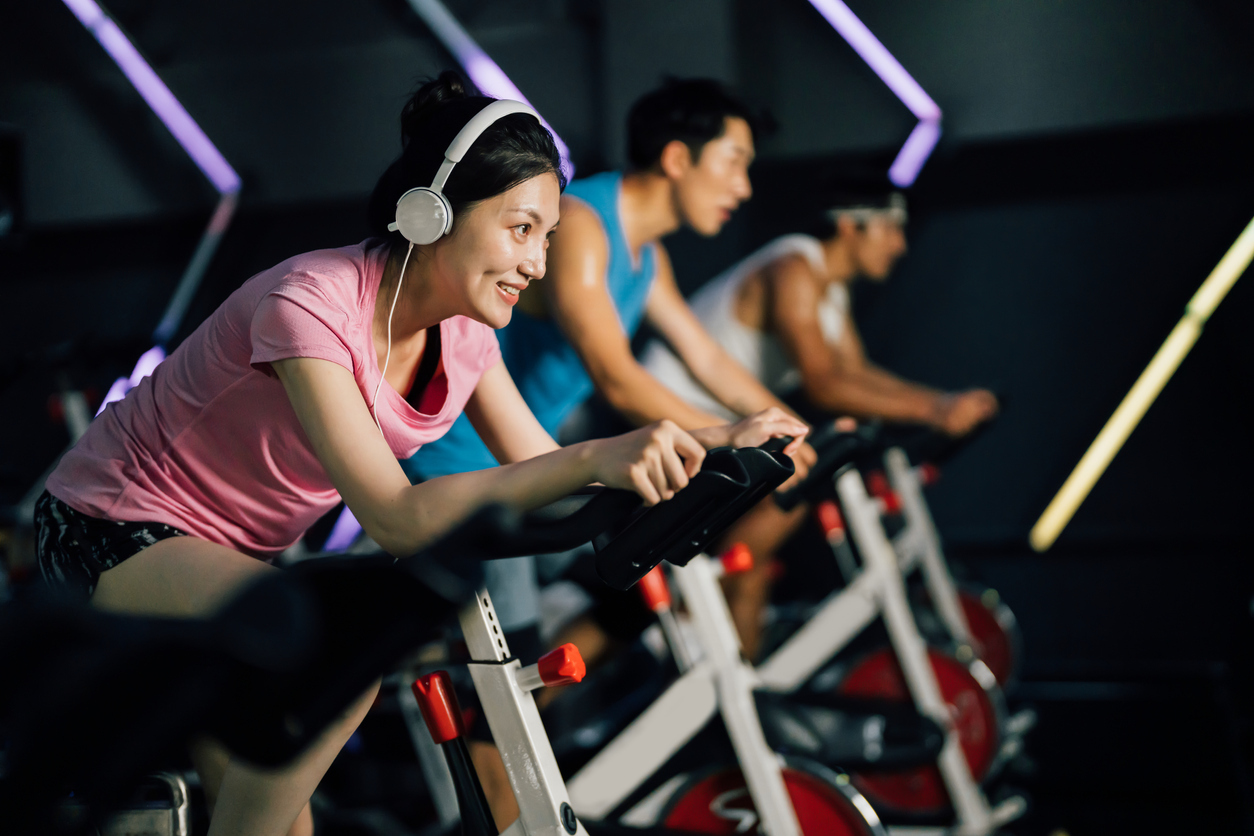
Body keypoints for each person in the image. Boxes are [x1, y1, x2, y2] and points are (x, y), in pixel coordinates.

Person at [33, 72, 795, 836]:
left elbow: (540, 462)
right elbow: (397, 517)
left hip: (238, 564)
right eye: (520, 229)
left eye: (548, 237)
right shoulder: (310, 303)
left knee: (281, 817)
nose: (536, 263)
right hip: (109, 528)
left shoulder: (467, 333)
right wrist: (596, 460)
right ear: (431, 213)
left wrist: (711, 445)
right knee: (339, 647)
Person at [404, 77, 814, 668]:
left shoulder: (649, 257)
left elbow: (707, 359)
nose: (743, 187)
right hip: (466, 463)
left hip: (530, 458)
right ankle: (494, 739)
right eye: (734, 162)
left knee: (638, 592)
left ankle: (553, 731)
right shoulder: (584, 229)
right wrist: (726, 438)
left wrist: (788, 430)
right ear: (677, 158)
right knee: (508, 672)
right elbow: (615, 376)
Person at [643, 189, 999, 431]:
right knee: (789, 492)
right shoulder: (794, 267)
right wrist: (935, 412)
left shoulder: (833, 290)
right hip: (663, 405)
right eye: (890, 228)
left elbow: (853, 372)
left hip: (718, 411)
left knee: (798, 486)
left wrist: (945, 401)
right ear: (847, 225)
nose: (899, 245)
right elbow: (824, 385)